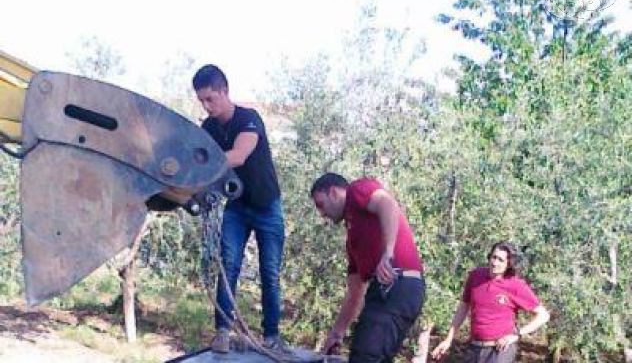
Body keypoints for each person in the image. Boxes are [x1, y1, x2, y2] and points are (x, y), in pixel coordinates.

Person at [192, 64, 285, 352]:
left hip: (267, 206)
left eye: (211, 98)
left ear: (224, 91)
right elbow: (196, 160)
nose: (207, 106)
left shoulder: (248, 119)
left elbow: (239, 155)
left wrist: (203, 162)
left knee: (269, 272)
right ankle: (222, 331)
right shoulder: (207, 128)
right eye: (202, 101)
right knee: (228, 266)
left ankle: (271, 337)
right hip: (235, 207)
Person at [310, 172, 425, 363]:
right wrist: (337, 333)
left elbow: (388, 204)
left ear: (334, 192)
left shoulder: (357, 190)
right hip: (381, 292)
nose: (322, 214)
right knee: (368, 355)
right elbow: (355, 293)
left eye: (320, 205)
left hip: (397, 284)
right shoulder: (353, 241)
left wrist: (388, 253)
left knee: (366, 356)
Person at [431, 241, 550, 363]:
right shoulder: (476, 276)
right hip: (474, 348)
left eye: (500, 260)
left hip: (500, 351)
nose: (494, 263)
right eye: (493, 257)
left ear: (509, 264)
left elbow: (543, 315)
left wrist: (517, 334)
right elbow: (463, 308)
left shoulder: (515, 285)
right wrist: (448, 340)